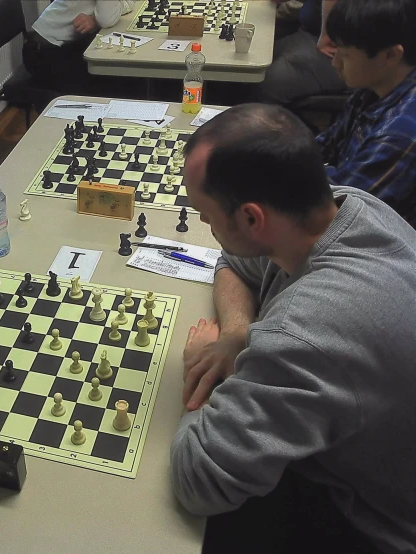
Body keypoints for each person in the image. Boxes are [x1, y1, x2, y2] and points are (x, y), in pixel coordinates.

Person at [172, 103, 416, 553]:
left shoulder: (307, 335)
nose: (206, 228)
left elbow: (199, 479)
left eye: (206, 217)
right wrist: (236, 333)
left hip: (377, 524)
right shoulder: (346, 205)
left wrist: (200, 388)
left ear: (250, 218)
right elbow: (235, 261)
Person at [316, 0, 416, 227]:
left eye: (347, 55)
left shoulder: (400, 133)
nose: (335, 62)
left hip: (376, 241)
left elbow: (339, 205)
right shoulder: (373, 89)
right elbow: (328, 145)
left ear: (390, 55)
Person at [23, 0, 135, 96]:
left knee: (120, 82)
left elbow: (130, 2)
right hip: (45, 50)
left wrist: (96, 18)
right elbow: (107, 18)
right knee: (111, 87)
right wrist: (99, 18)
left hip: (70, 44)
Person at [250, 0, 345, 104]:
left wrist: (326, 34)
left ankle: (266, 118)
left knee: (268, 81)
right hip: (311, 34)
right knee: (251, 57)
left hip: (340, 50)